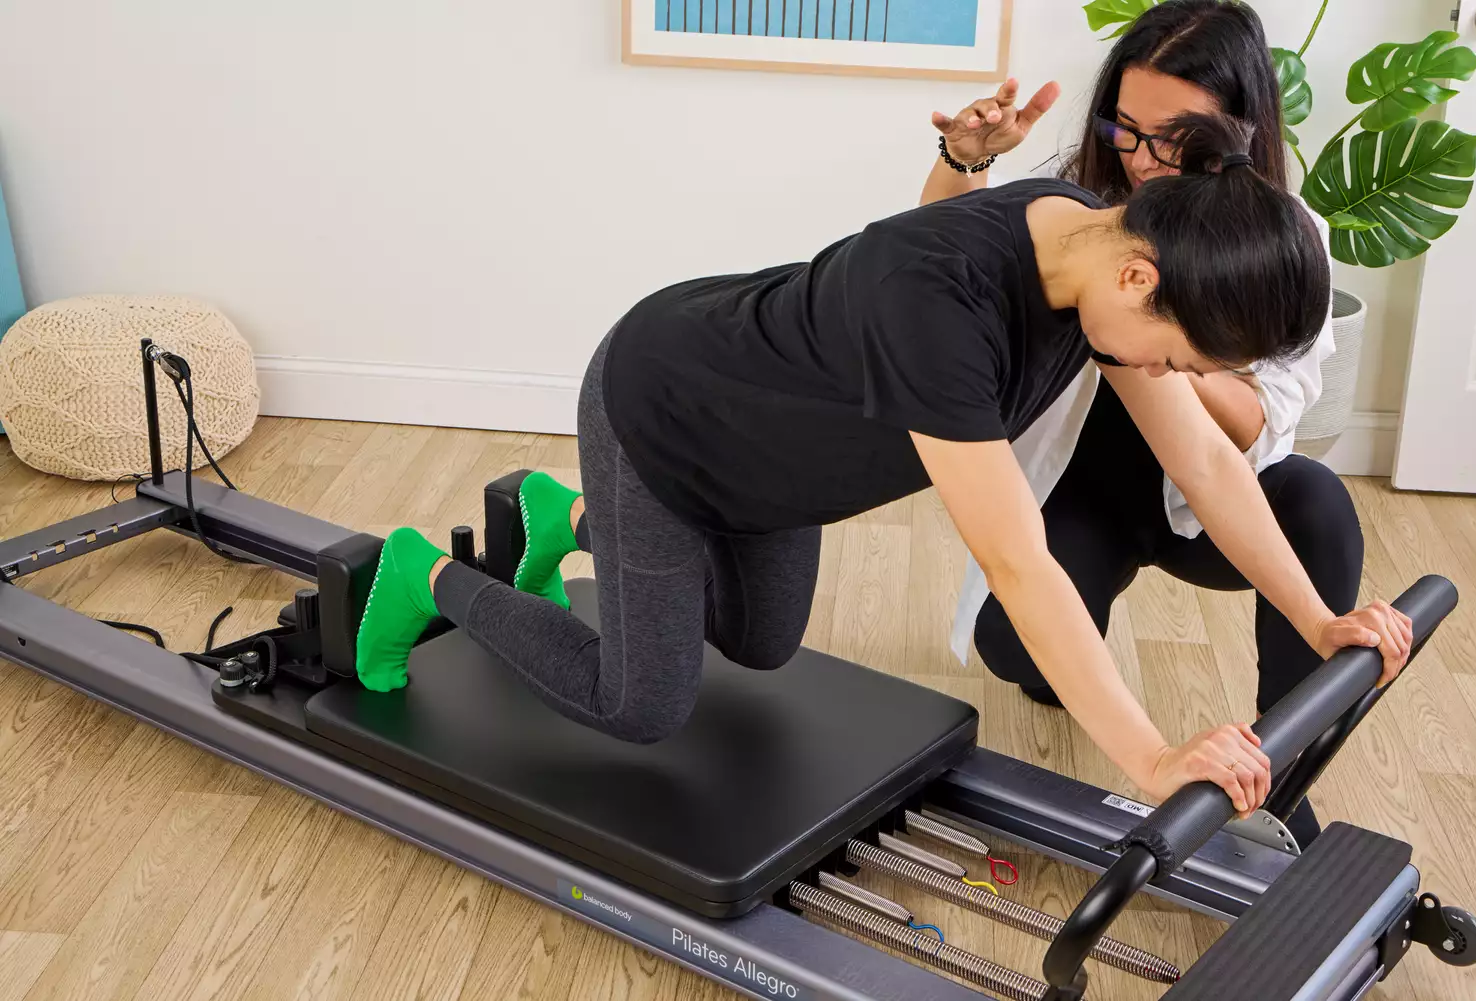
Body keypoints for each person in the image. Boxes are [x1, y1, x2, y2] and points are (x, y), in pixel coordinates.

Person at [355, 111, 1412, 822]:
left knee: (762, 645)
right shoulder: (943, 300)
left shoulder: (1100, 264)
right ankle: (428, 577)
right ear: (1143, 276)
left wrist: (1320, 620)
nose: (1166, 377)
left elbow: (1217, 471)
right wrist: (1150, 759)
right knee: (643, 701)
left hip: (774, 466)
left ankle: (566, 519)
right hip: (667, 412)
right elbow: (1018, 559)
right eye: (1175, 356)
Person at [924, 0, 1360, 845]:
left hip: (1201, 499)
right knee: (1021, 655)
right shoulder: (1082, 210)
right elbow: (942, 256)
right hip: (1081, 488)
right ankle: (1082, 616)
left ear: (1242, 127)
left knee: (1316, 501)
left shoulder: (1280, 241)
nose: (1150, 160)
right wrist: (961, 161)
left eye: (1178, 139)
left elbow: (1227, 440)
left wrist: (1168, 337)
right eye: (1129, 130)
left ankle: (1288, 765)